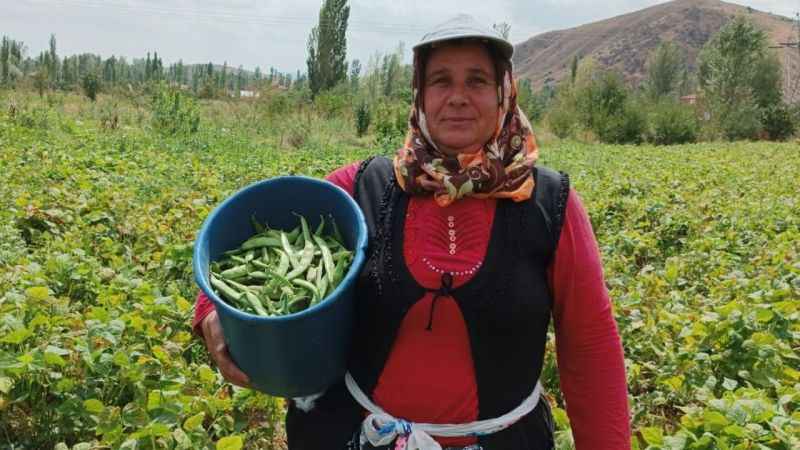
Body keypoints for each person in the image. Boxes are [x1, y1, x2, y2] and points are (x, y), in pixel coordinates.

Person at [193, 14, 630, 450]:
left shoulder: (548, 203)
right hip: (358, 437)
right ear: (420, 96)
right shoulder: (364, 187)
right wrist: (210, 311)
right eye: (440, 81)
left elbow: (590, 347)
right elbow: (257, 242)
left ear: (503, 95)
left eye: (477, 81)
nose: (457, 97)